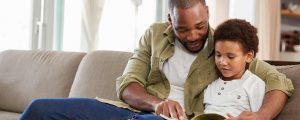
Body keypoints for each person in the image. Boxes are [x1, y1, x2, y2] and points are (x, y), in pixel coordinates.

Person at [20, 0, 294, 120]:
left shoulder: (222, 46)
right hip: (127, 111)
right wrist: (157, 103)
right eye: (183, 29)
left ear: (208, 13)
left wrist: (260, 116)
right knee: (39, 109)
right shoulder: (153, 35)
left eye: (200, 25)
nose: (194, 35)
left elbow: (278, 79)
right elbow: (128, 84)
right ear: (169, 20)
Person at [203, 19, 265, 119]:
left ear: (249, 56)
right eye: (218, 55)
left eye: (231, 57)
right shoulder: (211, 84)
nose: (222, 62)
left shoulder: (254, 84)